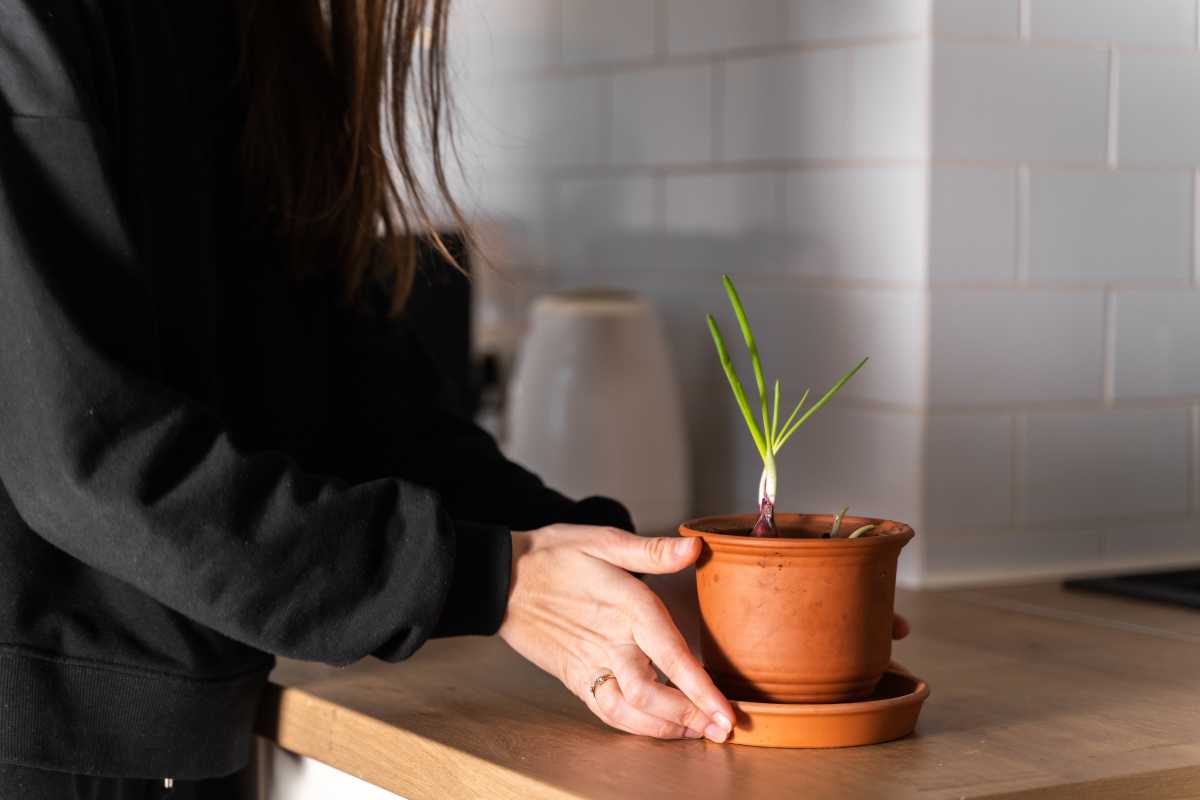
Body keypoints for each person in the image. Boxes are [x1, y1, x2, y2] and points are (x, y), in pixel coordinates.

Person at [0, 3, 907, 798]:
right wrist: (490, 577)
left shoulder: (262, 31)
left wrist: (624, 571)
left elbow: (355, 402)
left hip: (179, 730)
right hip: (38, 739)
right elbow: (89, 456)